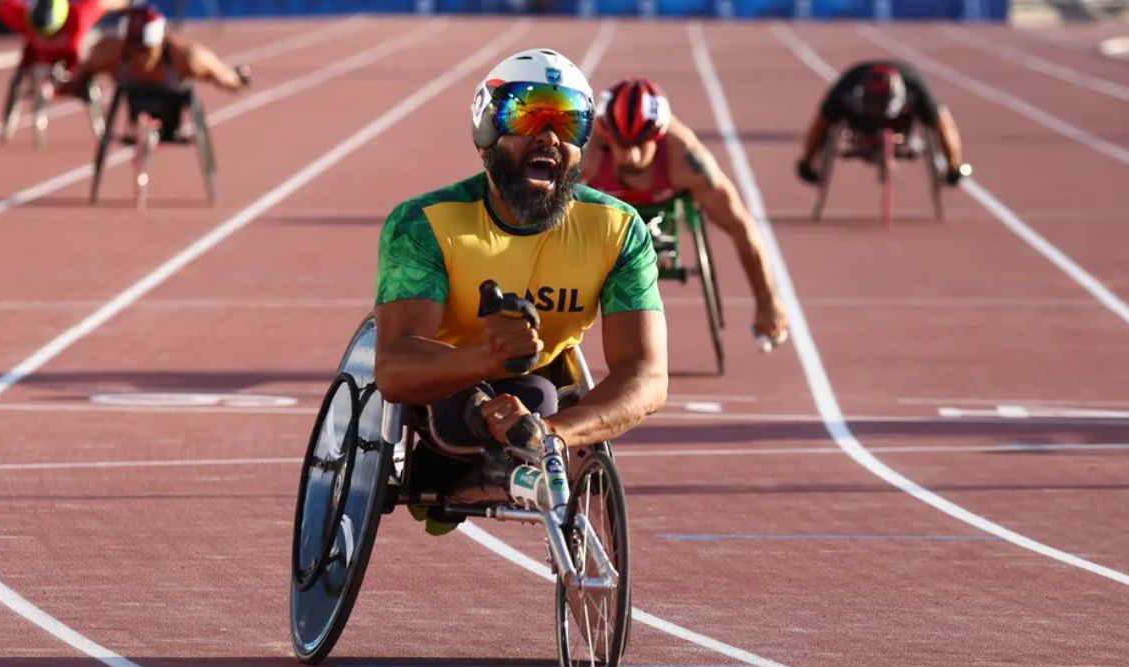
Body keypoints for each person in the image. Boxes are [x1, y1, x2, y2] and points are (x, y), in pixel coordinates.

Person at [373, 49, 668, 535]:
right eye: (527, 116)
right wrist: (487, 360)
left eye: (569, 123)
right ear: (487, 131)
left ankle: (509, 457)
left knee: (540, 393)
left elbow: (647, 376)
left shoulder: (618, 229)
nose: (549, 137)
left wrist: (548, 434)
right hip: (443, 381)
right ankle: (457, 475)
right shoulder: (424, 224)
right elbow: (394, 368)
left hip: (541, 391)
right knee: (517, 394)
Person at [581, 78, 788, 349]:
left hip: (661, 214)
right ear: (607, 135)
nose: (630, 156)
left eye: (640, 144)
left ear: (659, 136)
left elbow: (740, 225)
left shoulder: (686, 158)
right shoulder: (587, 151)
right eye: (620, 144)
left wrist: (767, 301)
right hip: (605, 214)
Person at [62, 3, 249, 141]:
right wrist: (76, 86)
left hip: (172, 114)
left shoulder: (188, 57)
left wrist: (238, 81)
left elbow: (222, 75)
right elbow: (83, 73)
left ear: (159, 43)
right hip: (135, 108)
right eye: (134, 48)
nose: (140, 56)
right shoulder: (109, 53)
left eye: (146, 49)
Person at [796, 60, 971, 186]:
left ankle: (954, 166)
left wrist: (953, 166)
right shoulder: (848, 85)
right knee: (827, 120)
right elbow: (820, 124)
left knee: (939, 119)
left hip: (901, 123)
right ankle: (807, 163)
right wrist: (807, 162)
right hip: (860, 123)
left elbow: (944, 125)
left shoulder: (916, 86)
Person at [0, 0, 129, 75]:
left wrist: (127, 3)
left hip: (71, 63)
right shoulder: (23, 17)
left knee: (104, 58)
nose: (49, 37)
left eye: (53, 32)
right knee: (22, 71)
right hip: (37, 59)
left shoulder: (79, 16)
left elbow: (104, 3)